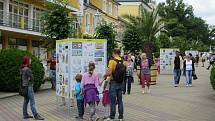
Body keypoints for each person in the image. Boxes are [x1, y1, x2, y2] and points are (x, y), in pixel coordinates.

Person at [104, 48, 126, 120]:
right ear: (119, 53)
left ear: (114, 53)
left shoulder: (112, 61)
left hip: (113, 83)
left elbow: (109, 73)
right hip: (121, 82)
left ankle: (112, 116)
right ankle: (121, 117)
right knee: (120, 100)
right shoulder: (123, 61)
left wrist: (105, 75)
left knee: (113, 101)